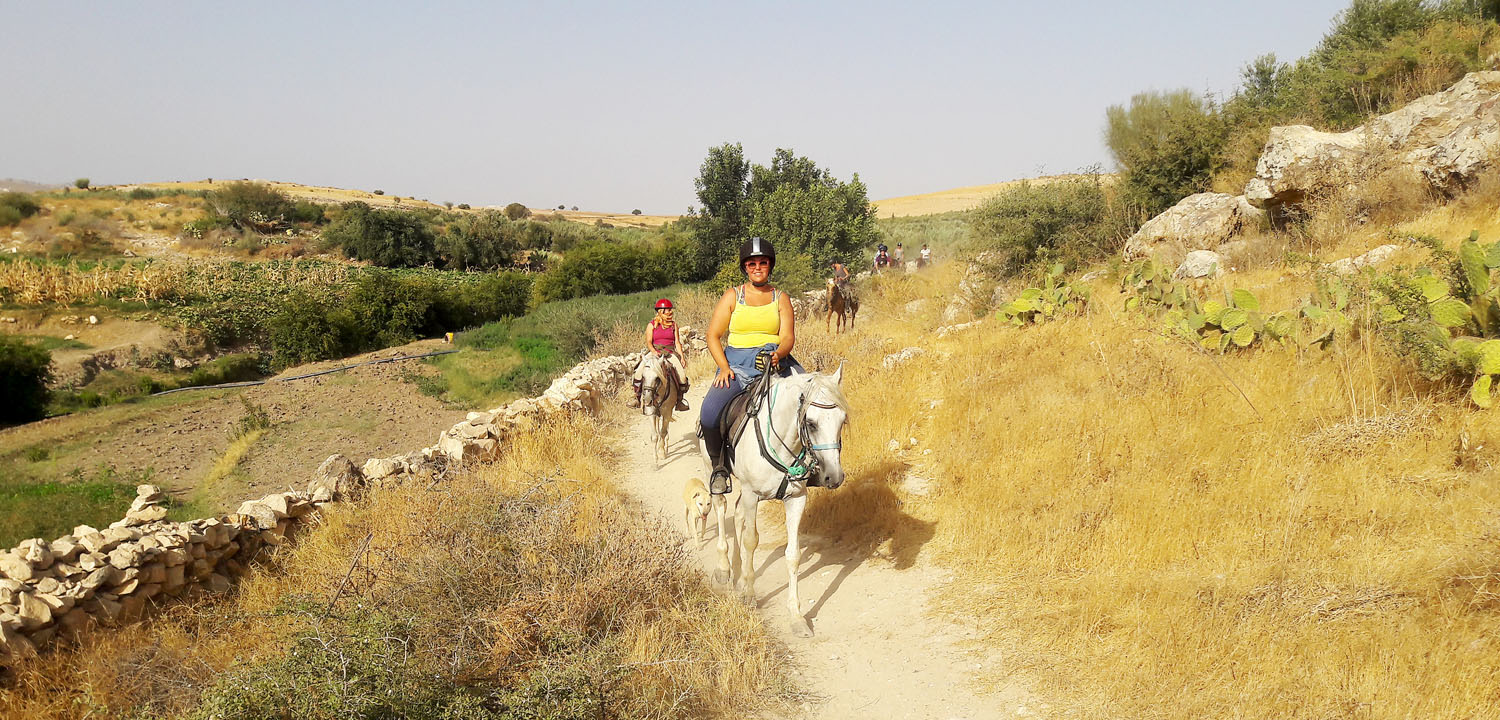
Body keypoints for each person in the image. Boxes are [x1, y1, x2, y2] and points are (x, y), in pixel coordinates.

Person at [699, 236, 804, 494]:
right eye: (752, 263)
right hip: (736, 364)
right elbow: (713, 335)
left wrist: (779, 353)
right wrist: (724, 368)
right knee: (709, 414)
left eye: (763, 262)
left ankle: (811, 464)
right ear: (745, 267)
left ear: (770, 265)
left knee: (811, 402)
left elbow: (788, 336)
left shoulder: (781, 298)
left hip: (775, 361)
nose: (758, 267)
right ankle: (719, 468)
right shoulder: (733, 296)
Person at [630, 298, 690, 412]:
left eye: (670, 310)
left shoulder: (673, 325)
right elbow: (648, 341)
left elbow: (677, 342)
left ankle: (679, 400)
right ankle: (637, 398)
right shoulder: (651, 325)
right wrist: (653, 352)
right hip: (655, 352)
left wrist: (681, 356)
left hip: (669, 353)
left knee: (682, 376)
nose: (670, 312)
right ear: (661, 311)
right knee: (639, 371)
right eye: (668, 310)